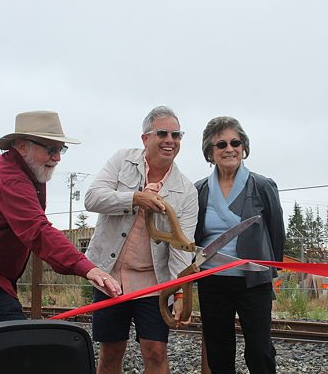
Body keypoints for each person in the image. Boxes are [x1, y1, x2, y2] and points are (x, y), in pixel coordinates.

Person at [0, 111, 121, 374]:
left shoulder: (28, 171)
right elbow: (36, 229)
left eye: (61, 149)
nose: (56, 157)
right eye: (51, 149)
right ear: (22, 146)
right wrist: (86, 266)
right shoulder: (8, 176)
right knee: (17, 350)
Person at [84, 106, 198, 374]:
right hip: (110, 277)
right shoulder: (122, 160)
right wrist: (134, 199)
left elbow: (182, 246)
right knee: (111, 352)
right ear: (145, 138)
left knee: (155, 351)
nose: (170, 140)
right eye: (162, 133)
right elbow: (92, 198)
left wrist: (179, 291)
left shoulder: (186, 190)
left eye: (177, 135)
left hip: (153, 281)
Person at [194, 116, 285, 374]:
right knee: (218, 350)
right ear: (210, 153)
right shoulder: (199, 190)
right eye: (220, 144)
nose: (229, 149)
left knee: (259, 350)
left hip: (253, 281)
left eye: (235, 142)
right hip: (212, 280)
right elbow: (193, 236)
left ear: (244, 147)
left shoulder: (263, 185)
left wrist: (270, 269)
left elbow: (277, 232)